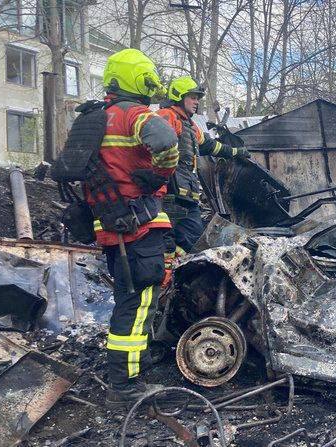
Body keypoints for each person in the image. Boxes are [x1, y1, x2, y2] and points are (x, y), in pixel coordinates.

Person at [82, 48, 179, 407]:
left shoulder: (94, 118)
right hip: (138, 227)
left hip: (110, 227)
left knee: (127, 298)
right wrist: (160, 175)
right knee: (137, 304)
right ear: (139, 79)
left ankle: (133, 366)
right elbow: (167, 142)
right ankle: (123, 388)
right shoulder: (133, 114)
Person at [156, 76, 250, 262]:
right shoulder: (167, 116)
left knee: (193, 242)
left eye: (198, 98)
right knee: (172, 243)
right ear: (179, 97)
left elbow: (209, 146)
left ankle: (179, 267)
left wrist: (235, 152)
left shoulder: (190, 125)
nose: (196, 102)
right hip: (170, 196)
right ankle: (170, 271)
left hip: (186, 195)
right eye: (192, 97)